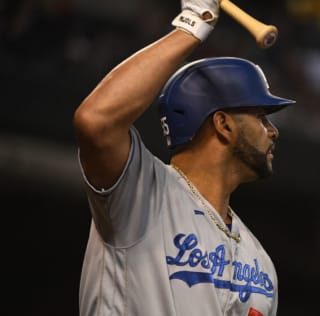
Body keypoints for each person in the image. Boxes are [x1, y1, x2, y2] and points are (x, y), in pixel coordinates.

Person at [73, 0, 295, 315]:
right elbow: (95, 122)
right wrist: (193, 24)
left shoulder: (259, 260)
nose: (272, 131)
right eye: (261, 116)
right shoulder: (142, 193)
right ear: (223, 124)